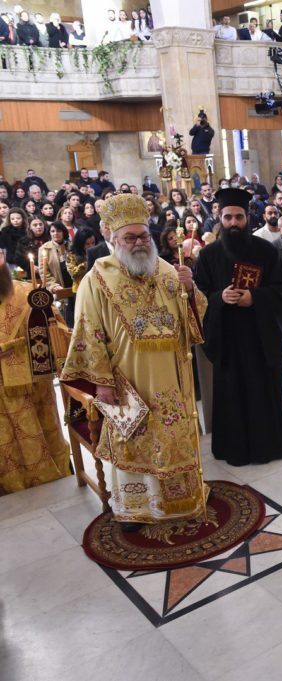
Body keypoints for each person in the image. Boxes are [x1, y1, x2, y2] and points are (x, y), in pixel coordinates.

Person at [60, 194, 209, 526]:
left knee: (172, 438)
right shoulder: (95, 279)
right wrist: (101, 383)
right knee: (136, 439)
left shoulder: (168, 269)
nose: (140, 242)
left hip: (172, 376)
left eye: (144, 235)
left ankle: (181, 502)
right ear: (114, 239)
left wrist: (191, 288)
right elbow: (88, 332)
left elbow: (192, 322)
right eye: (131, 237)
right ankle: (140, 506)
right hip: (129, 380)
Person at [193, 188, 282, 466]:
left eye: (238, 217)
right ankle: (233, 447)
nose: (233, 223)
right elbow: (199, 296)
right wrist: (219, 298)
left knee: (263, 391)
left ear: (247, 217)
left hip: (260, 338)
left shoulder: (266, 250)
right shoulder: (208, 255)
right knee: (232, 393)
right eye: (228, 217)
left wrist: (255, 298)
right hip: (227, 340)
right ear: (220, 218)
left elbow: (281, 290)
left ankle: (269, 445)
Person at [0, 250, 72, 495]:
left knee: (39, 428)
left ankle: (49, 469)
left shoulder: (27, 293)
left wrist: (46, 319)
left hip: (31, 379)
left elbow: (57, 327)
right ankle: (10, 481)